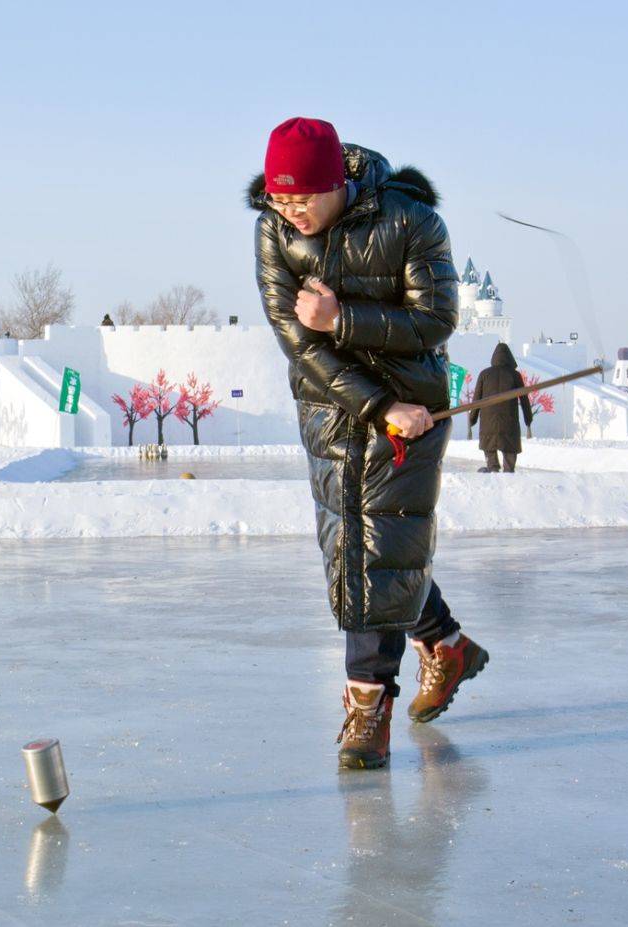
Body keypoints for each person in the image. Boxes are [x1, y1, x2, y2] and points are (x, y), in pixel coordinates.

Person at [251, 117, 486, 770]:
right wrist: (371, 402)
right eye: (279, 198)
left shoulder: (411, 221)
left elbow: (436, 318)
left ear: (336, 185)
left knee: (378, 544)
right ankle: (444, 643)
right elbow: (295, 339)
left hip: (412, 406)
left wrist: (343, 319)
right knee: (363, 548)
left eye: (302, 198)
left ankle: (367, 704)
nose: (291, 212)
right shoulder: (272, 229)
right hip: (333, 408)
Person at [467, 343, 532, 472]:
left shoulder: (484, 374)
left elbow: (476, 401)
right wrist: (528, 420)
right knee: (509, 449)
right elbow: (524, 400)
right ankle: (509, 471)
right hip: (509, 421)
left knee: (490, 450)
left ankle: (492, 469)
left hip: (488, 423)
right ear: (510, 358)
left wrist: (472, 420)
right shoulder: (515, 375)